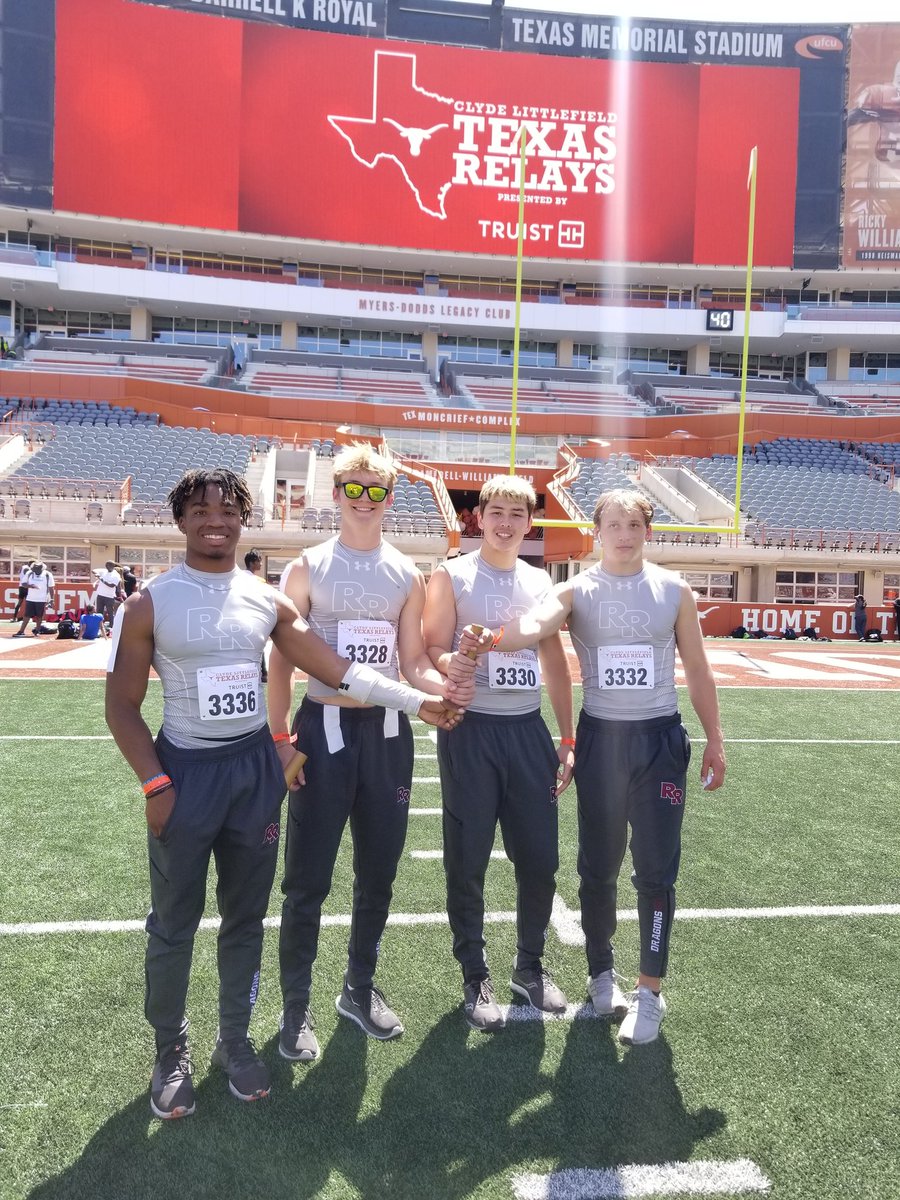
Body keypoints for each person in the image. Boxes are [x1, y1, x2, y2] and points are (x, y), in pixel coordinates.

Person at [105, 467, 462, 1121]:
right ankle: (170, 1050)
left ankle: (235, 1041)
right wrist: (155, 783)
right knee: (174, 923)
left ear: (244, 519)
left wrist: (417, 702)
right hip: (186, 773)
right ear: (180, 520)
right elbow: (121, 706)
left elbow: (335, 668)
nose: (215, 520)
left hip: (253, 778)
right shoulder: (148, 604)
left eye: (227, 510)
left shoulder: (266, 601)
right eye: (200, 510)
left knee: (245, 919)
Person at [461, 488, 726, 1046]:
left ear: (647, 531)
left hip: (658, 742)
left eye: (634, 524)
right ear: (596, 532)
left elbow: (699, 670)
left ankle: (649, 992)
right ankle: (601, 973)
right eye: (613, 525)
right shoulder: (575, 590)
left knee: (656, 872)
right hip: (602, 741)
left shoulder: (674, 591)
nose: (624, 535)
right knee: (598, 868)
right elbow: (535, 625)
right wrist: (493, 639)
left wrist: (715, 739)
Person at [269, 443, 474, 1062]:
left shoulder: (406, 574)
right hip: (322, 731)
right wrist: (279, 737)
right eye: (353, 488)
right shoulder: (307, 566)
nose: (364, 499)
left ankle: (358, 987)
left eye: (375, 489)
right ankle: (295, 1006)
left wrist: (444, 687)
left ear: (389, 498)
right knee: (306, 880)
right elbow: (283, 660)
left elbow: (411, 662)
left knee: (378, 873)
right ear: (335, 494)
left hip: (387, 733)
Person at [423, 475, 575, 1032]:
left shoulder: (540, 580)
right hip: (471, 730)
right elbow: (433, 646)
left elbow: (553, 660)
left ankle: (529, 967)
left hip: (527, 730)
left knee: (539, 858)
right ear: (478, 517)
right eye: (496, 512)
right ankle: (474, 974)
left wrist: (566, 736)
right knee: (468, 859)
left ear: (530, 523)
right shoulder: (453, 574)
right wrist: (456, 665)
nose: (506, 522)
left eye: (517, 513)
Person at [243, 548, 269, 682]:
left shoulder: (237, 578)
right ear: (252, 563)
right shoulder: (259, 581)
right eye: (259, 561)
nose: (261, 564)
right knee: (258, 645)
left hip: (240, 617)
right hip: (254, 618)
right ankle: (263, 672)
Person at [12, 561, 54, 638]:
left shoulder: (47, 575)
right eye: (35, 569)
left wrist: (51, 599)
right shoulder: (30, 573)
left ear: (42, 569)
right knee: (26, 615)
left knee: (39, 616)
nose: (36, 571)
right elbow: (23, 583)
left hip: (41, 599)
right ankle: (21, 631)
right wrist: (31, 586)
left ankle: (37, 631)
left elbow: (51, 587)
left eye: (38, 570)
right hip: (30, 598)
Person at [93, 561, 123, 625]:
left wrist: (102, 580)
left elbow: (111, 585)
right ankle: (99, 626)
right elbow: (94, 570)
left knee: (110, 613)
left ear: (112, 566)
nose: (107, 567)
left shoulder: (116, 575)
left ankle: (112, 626)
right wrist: (97, 574)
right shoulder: (104, 571)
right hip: (100, 595)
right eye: (106, 566)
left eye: (108, 566)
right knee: (99, 613)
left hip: (109, 596)